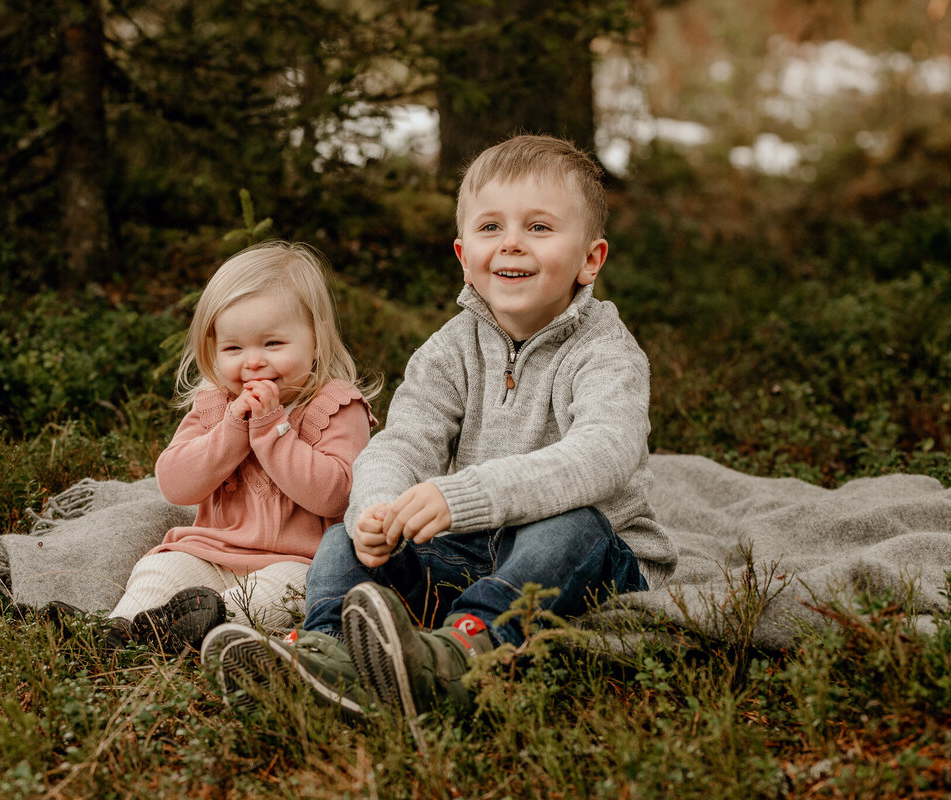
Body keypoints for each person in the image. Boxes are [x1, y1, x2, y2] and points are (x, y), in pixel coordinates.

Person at [201, 135, 678, 718]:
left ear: (590, 258)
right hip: (467, 554)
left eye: (540, 228)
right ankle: (325, 654)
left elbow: (605, 452)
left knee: (570, 525)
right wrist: (376, 510)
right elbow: (403, 442)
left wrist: (466, 496)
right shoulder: (448, 351)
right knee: (342, 536)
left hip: (592, 562)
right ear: (462, 253)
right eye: (490, 228)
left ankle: (458, 657)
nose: (512, 245)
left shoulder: (606, 353)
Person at [107, 241, 376, 652]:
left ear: (317, 342)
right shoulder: (217, 405)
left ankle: (194, 627)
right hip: (211, 552)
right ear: (214, 351)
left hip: (297, 561)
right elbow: (175, 484)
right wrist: (232, 431)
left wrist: (272, 430)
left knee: (276, 596)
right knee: (160, 569)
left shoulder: (335, 405)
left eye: (272, 345)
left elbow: (337, 495)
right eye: (234, 348)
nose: (252, 362)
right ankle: (118, 629)